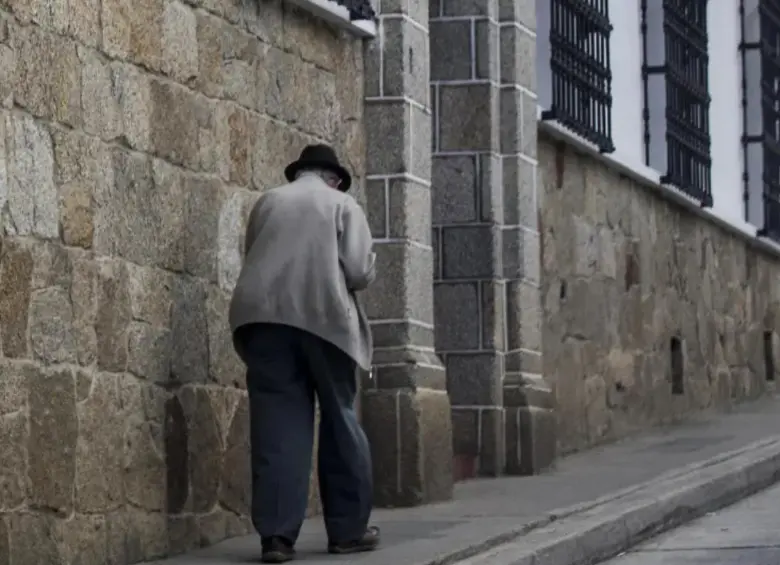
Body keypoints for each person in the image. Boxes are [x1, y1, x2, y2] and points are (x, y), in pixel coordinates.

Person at [228, 144, 379, 563]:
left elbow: (255, 255)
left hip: (264, 323)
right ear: (334, 178)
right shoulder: (341, 204)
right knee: (340, 418)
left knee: (277, 427)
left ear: (300, 174)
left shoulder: (269, 201)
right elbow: (359, 271)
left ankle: (276, 537)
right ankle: (347, 531)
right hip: (325, 318)